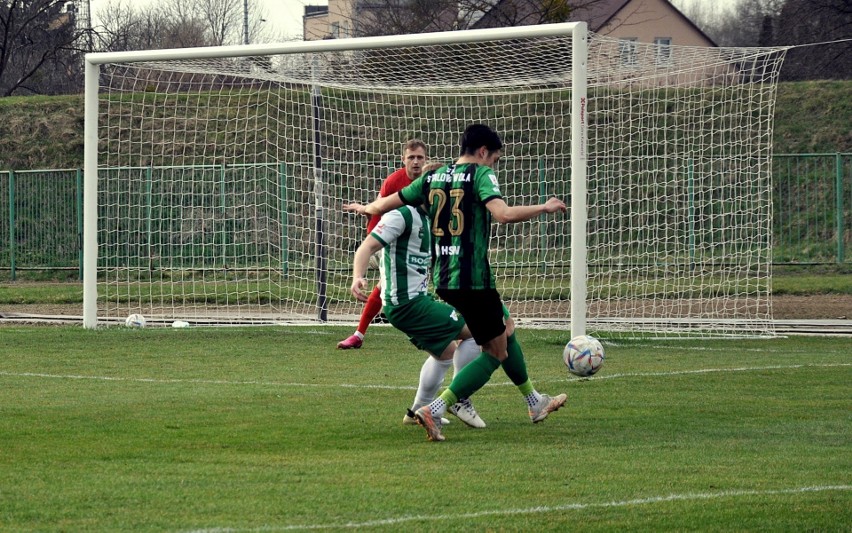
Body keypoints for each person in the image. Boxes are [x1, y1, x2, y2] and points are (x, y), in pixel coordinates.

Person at [344, 124, 568, 441]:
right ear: (482, 152)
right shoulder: (480, 175)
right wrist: (543, 207)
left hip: (445, 279)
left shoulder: (434, 177)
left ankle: (534, 401)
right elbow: (502, 214)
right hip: (473, 277)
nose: (494, 166)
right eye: (495, 159)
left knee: (505, 325)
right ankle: (437, 407)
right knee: (496, 350)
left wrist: (364, 208)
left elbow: (382, 205)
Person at [350, 201, 485, 429]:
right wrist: (357, 277)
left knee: (445, 354)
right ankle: (459, 398)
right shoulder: (401, 216)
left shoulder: (430, 220)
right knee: (475, 332)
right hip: (407, 303)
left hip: (412, 302)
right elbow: (366, 247)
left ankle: (417, 411)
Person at [337, 139, 428, 350]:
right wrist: (373, 242)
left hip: (425, 240)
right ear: (403, 159)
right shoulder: (394, 181)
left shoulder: (431, 180)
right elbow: (378, 208)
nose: (416, 162)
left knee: (394, 286)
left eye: (420, 157)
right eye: (411, 157)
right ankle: (360, 334)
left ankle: (360, 334)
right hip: (396, 241)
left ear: (426, 160)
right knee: (388, 285)